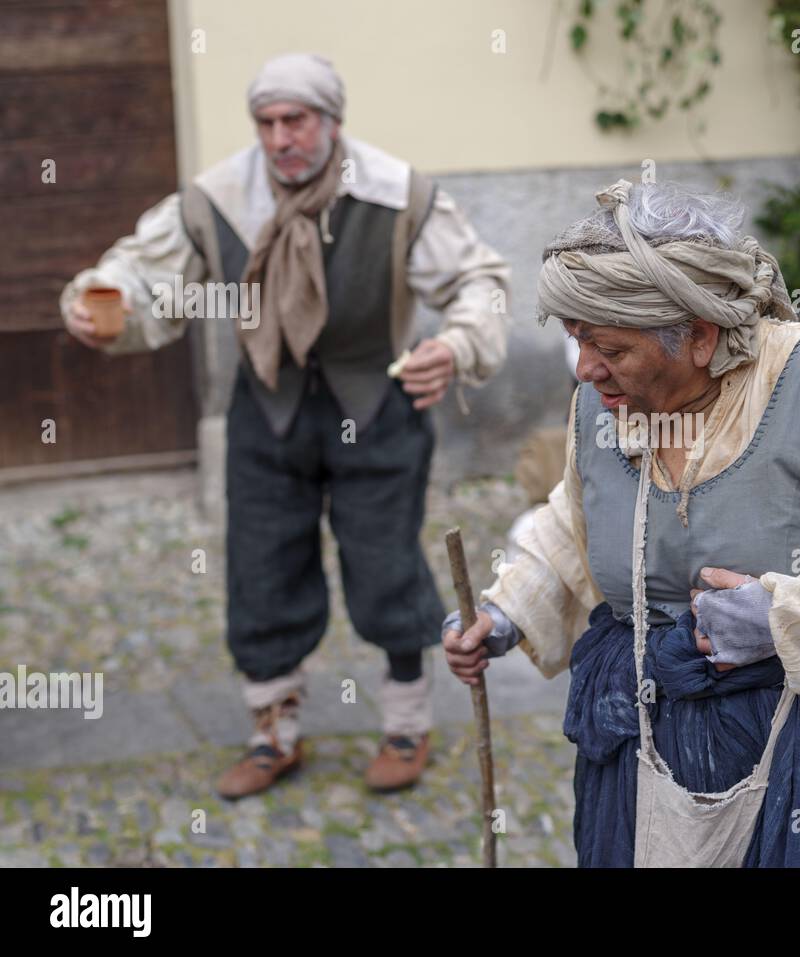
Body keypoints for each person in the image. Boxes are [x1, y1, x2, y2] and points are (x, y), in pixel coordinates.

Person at [442, 178, 800, 866]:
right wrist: (506, 613)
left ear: (701, 337)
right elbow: (577, 521)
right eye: (575, 341)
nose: (588, 369)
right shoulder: (601, 405)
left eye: (611, 348)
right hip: (649, 742)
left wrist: (780, 617)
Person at [60, 53, 511, 798]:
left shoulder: (395, 192)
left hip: (375, 402)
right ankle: (274, 734)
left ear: (332, 123)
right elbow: (142, 275)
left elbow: (479, 282)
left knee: (385, 566)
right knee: (261, 568)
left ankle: (406, 720)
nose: (279, 139)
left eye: (295, 121)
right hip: (266, 405)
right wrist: (104, 303)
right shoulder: (218, 198)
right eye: (266, 123)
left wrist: (456, 345)